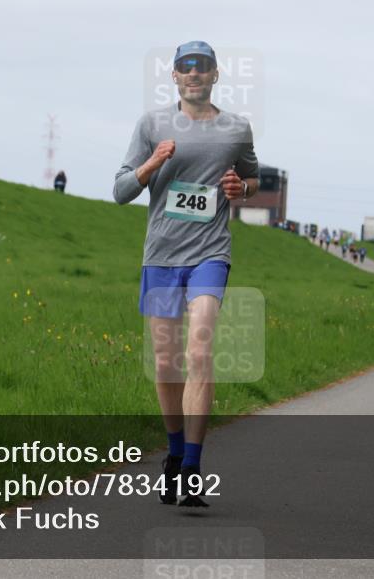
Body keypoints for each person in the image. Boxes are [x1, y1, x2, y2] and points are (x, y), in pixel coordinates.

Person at [113, 40, 259, 507]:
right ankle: (174, 454)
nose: (193, 74)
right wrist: (153, 162)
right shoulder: (151, 124)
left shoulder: (236, 128)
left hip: (209, 254)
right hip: (160, 257)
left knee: (199, 348)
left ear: (216, 75)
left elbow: (252, 179)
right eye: (184, 67)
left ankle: (194, 466)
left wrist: (241, 187)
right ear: (174, 77)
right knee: (165, 360)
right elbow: (119, 191)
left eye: (202, 67)